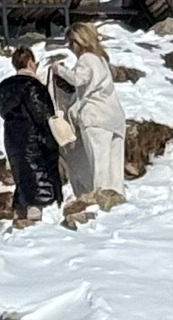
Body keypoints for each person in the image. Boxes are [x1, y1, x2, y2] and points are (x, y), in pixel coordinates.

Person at [48, 19, 126, 196]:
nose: (69, 47)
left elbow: (78, 79)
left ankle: (100, 200)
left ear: (80, 41)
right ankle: (117, 199)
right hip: (114, 116)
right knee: (115, 168)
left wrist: (59, 70)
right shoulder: (101, 60)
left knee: (99, 166)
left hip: (96, 117)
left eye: (71, 42)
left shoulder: (86, 59)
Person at [0, 43, 67, 218]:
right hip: (35, 139)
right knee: (39, 182)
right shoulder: (33, 86)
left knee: (23, 179)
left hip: (13, 139)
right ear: (31, 63)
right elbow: (42, 116)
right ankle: (35, 223)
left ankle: (21, 217)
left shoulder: (4, 89)